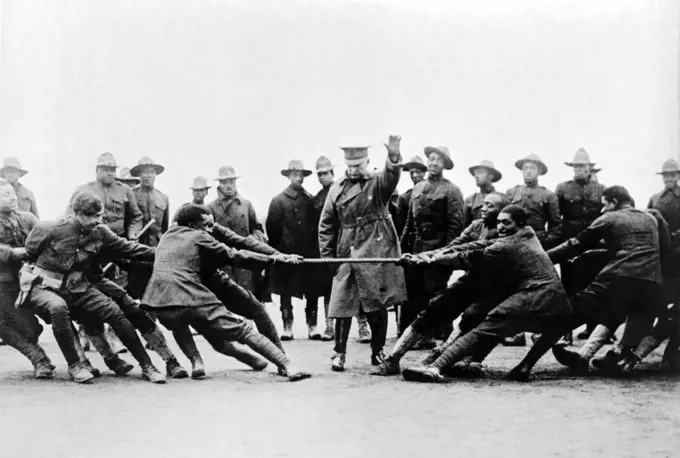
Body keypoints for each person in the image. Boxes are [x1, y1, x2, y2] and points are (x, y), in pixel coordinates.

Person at [400, 205, 572, 383]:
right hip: (560, 303)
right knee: (551, 330)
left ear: (520, 223)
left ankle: (435, 367)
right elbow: (477, 244)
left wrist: (434, 260)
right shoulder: (528, 234)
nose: (501, 227)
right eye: (498, 222)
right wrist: (425, 255)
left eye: (506, 223)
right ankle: (525, 366)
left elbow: (468, 258)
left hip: (536, 296)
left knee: (483, 329)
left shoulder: (507, 244)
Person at [142, 203, 311, 382]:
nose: (210, 228)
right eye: (205, 225)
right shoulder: (199, 235)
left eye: (211, 224)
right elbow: (234, 256)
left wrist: (278, 255)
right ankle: (287, 364)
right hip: (191, 288)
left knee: (251, 310)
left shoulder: (170, 236)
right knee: (238, 330)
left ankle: (260, 360)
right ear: (191, 225)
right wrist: (272, 260)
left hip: (164, 297)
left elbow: (243, 242)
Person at [517, 186, 665, 378]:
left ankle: (526, 364)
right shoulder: (651, 219)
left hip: (618, 280)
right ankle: (610, 358)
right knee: (621, 315)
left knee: (569, 317)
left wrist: (541, 260)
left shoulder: (609, 218)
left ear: (613, 203)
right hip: (652, 285)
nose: (602, 210)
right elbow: (656, 250)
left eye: (604, 205)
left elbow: (575, 245)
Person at [22, 192, 165, 383]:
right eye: (92, 216)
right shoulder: (50, 228)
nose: (97, 220)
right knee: (57, 308)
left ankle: (147, 366)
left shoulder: (101, 232)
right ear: (77, 213)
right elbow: (30, 252)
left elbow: (128, 248)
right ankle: (75, 366)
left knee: (114, 312)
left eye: (99, 215)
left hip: (78, 287)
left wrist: (163, 253)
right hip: (45, 287)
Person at [371, 192, 506, 377]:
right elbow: (453, 247)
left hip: (495, 289)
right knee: (433, 309)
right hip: (472, 280)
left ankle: (440, 358)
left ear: (502, 211)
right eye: (483, 204)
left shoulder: (505, 235)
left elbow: (468, 252)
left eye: (490, 205)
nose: (483, 208)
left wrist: (428, 260)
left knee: (470, 320)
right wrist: (420, 256)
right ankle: (393, 359)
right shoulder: (476, 226)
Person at [318, 135, 406, 371]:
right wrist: (328, 258)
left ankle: (377, 351)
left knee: (377, 303)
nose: (354, 170)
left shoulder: (377, 182)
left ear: (367, 161)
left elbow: (391, 176)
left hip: (376, 244)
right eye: (350, 166)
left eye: (358, 165)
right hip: (347, 247)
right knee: (342, 302)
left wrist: (394, 157)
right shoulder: (336, 188)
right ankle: (339, 353)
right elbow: (326, 224)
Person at [400, 146, 465, 344]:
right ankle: (422, 335)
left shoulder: (451, 190)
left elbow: (455, 227)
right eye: (432, 159)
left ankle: (445, 335)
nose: (434, 162)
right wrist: (403, 250)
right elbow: (410, 224)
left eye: (439, 160)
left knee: (436, 291)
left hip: (438, 248)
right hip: (417, 248)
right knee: (417, 291)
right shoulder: (418, 189)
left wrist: (446, 254)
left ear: (445, 165)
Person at [503, 153, 562, 346]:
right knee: (515, 289)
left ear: (539, 171)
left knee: (540, 291)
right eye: (525, 168)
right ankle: (516, 332)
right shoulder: (512, 193)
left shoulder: (548, 195)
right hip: (515, 248)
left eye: (532, 168)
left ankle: (540, 332)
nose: (528, 171)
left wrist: (545, 246)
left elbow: (556, 226)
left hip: (538, 247)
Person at [0, 179, 54, 378]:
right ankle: (38, 359)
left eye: (12, 193)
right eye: (5, 195)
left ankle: (76, 361)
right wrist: (11, 253)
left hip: (31, 279)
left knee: (31, 325)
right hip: (3, 283)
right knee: (4, 326)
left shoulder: (27, 218)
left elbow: (47, 236)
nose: (12, 197)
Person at [555, 148, 606, 342]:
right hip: (571, 243)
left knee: (594, 283)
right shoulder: (562, 188)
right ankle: (565, 331)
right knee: (569, 285)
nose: (578, 169)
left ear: (590, 168)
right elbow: (557, 218)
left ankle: (592, 328)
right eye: (575, 166)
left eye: (582, 166)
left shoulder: (601, 189)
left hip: (594, 243)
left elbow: (605, 216)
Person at [266, 160, 321, 340]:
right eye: (294, 174)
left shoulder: (310, 199)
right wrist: (281, 251)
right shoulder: (278, 200)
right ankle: (287, 326)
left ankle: (312, 325)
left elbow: (316, 227)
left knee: (312, 289)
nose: (298, 178)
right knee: (285, 291)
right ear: (288, 176)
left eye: (300, 175)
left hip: (308, 252)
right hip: (287, 252)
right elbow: (272, 229)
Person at [207, 165, 268, 300]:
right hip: (222, 263)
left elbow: (258, 229)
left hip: (245, 263)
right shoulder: (210, 208)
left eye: (231, 182)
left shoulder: (246, 205)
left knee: (248, 300)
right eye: (224, 182)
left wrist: (250, 240)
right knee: (224, 301)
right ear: (219, 184)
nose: (229, 186)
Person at [127, 157, 170, 299]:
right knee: (136, 290)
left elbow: (164, 229)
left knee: (156, 290)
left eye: (151, 172)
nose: (148, 175)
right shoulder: (130, 194)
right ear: (139, 175)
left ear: (155, 174)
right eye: (144, 172)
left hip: (156, 251)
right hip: (136, 250)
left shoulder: (163, 197)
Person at [394, 156, 427, 236]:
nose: (414, 175)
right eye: (412, 172)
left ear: (424, 173)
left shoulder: (434, 192)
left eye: (418, 172)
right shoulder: (405, 198)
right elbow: (400, 227)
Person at [464, 159, 502, 226]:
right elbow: (464, 225)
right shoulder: (470, 200)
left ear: (491, 176)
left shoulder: (501, 199)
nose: (476, 176)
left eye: (480, 173)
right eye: (475, 174)